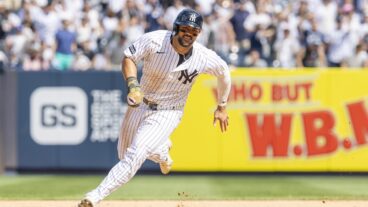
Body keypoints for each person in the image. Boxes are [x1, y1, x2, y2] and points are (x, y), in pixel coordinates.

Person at [78, 8, 232, 207]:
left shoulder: (203, 56)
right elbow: (129, 58)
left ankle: (94, 196)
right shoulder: (154, 40)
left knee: (136, 153)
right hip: (141, 104)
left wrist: (222, 105)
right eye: (185, 29)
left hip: (169, 111)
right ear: (176, 28)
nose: (189, 34)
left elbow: (224, 73)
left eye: (194, 31)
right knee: (124, 154)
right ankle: (162, 152)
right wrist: (133, 85)